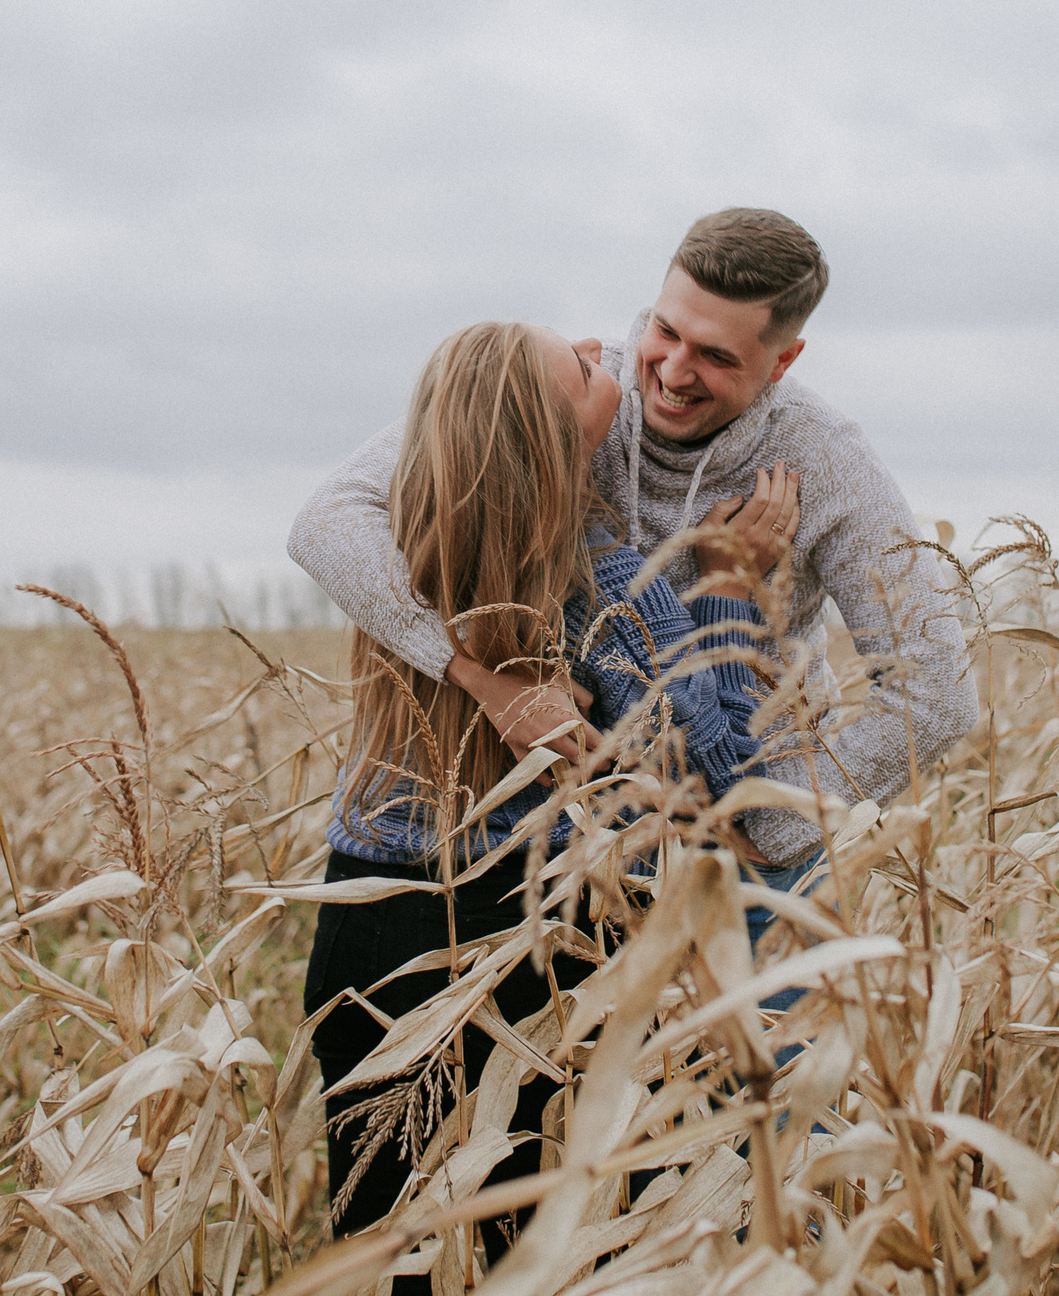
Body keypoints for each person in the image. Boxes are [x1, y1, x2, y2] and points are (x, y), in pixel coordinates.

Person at [301, 319, 800, 1274]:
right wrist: (731, 590)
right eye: (581, 369)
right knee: (535, 1258)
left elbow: (328, 514)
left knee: (398, 1248)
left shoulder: (405, 556)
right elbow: (723, 784)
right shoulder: (608, 583)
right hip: (529, 947)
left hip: (362, 928)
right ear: (556, 439)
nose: (598, 343)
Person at [290, 208, 978, 895]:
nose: (673, 371)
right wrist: (479, 676)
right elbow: (328, 520)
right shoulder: (564, 392)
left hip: (751, 864)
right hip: (581, 857)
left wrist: (765, 828)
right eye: (665, 329)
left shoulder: (825, 460)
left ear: (782, 360)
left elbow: (938, 693)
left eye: (715, 355)